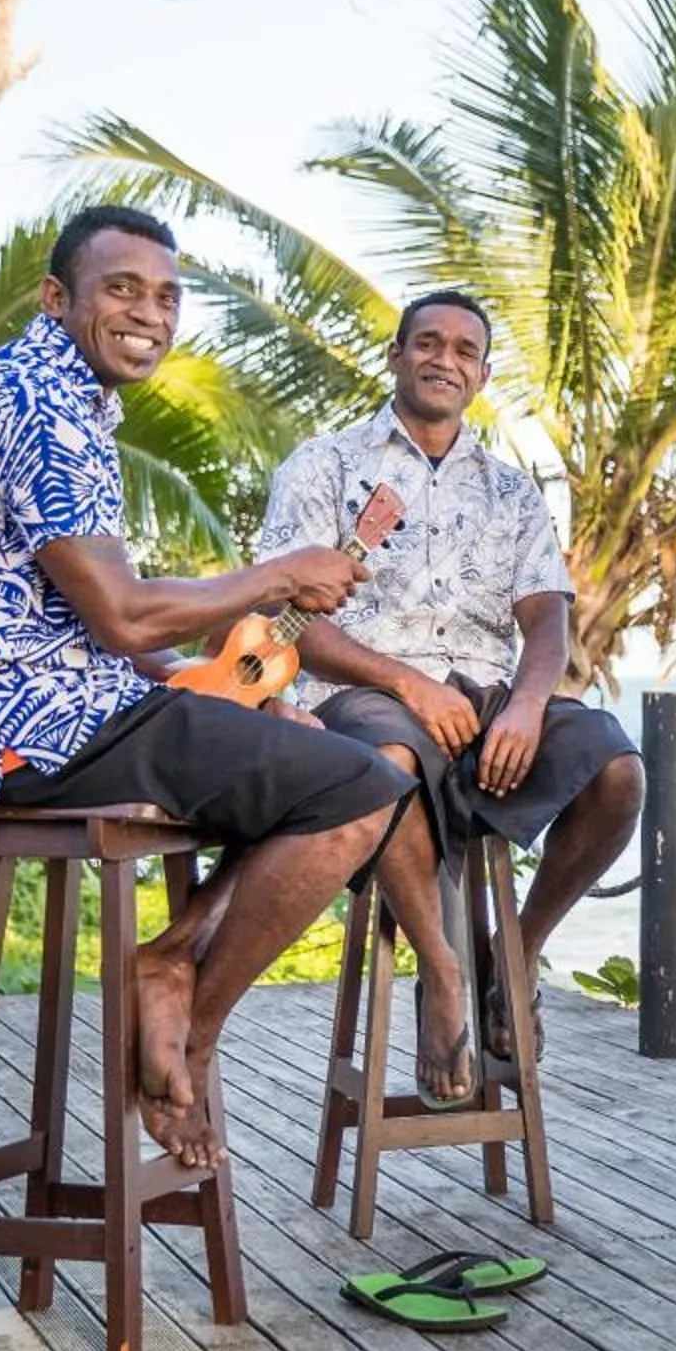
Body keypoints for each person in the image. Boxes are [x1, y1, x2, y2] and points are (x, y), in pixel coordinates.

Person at [0, 204, 413, 1171]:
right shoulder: (42, 408)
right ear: (59, 298)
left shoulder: (59, 396)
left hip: (46, 708)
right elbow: (123, 612)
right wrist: (279, 576)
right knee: (364, 788)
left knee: (310, 750)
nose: (149, 313)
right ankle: (186, 1014)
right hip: (26, 732)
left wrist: (187, 680)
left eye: (167, 297)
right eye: (122, 288)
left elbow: (97, 623)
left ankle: (173, 959)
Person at [254, 290, 642, 1108]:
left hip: (485, 694)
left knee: (616, 770)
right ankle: (443, 973)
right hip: (360, 687)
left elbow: (546, 618)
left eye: (464, 351)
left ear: (482, 374)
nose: (444, 359)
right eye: (427, 343)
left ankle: (516, 954)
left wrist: (530, 705)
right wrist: (405, 681)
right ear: (395, 356)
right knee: (388, 757)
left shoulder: (510, 491)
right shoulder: (323, 466)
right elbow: (286, 620)